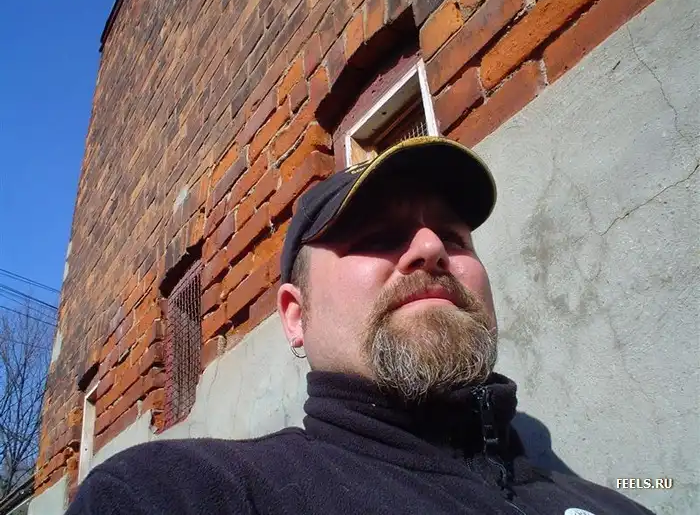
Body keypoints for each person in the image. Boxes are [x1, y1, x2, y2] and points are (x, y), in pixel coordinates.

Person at [66, 137, 654, 514]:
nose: (430, 248)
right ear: (296, 316)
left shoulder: (618, 506)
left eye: (454, 238)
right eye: (378, 237)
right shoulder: (179, 495)